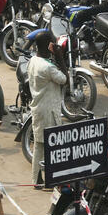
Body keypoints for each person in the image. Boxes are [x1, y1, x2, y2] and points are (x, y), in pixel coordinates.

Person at [27, 30, 67, 187]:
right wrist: (60, 56)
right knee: (52, 147)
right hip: (49, 111)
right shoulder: (48, 68)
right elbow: (64, 79)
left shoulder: (33, 60)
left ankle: (36, 179)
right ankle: (50, 179)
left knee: (39, 145)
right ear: (50, 46)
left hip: (38, 108)